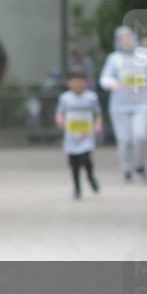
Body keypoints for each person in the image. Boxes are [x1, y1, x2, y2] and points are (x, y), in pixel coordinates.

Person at [99, 26, 147, 182]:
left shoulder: (145, 55)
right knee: (125, 140)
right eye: (122, 38)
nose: (126, 41)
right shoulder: (114, 58)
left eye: (128, 37)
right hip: (119, 105)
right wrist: (111, 83)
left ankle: (139, 165)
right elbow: (104, 78)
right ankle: (127, 168)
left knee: (140, 137)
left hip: (142, 104)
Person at [55, 68, 103, 200]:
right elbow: (60, 113)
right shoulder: (65, 98)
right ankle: (77, 187)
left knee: (86, 159)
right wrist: (60, 121)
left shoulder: (91, 97)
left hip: (86, 135)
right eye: (74, 81)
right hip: (71, 136)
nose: (77, 84)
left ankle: (90, 176)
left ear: (86, 82)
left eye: (80, 81)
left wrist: (98, 125)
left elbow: (97, 114)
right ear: (69, 83)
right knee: (74, 163)